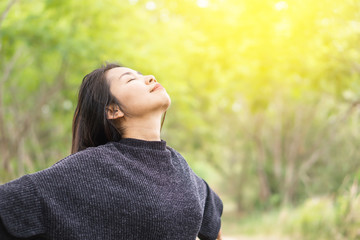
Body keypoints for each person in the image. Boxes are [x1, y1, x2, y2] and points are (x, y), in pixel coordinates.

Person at [0, 63, 223, 240]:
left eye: (141, 74)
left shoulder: (180, 166)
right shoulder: (88, 168)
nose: (150, 77)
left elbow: (212, 217)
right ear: (113, 110)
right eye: (130, 79)